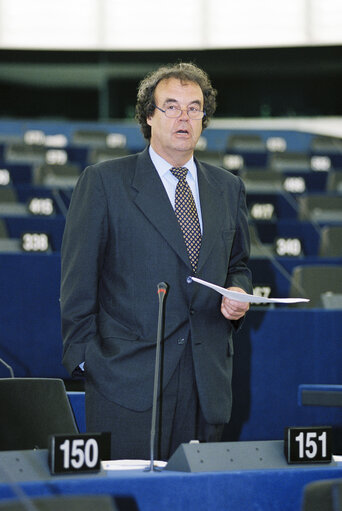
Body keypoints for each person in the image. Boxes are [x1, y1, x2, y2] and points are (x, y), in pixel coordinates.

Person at [60, 62, 253, 461]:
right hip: (127, 381)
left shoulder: (228, 188)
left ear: (204, 118)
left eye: (195, 108)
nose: (184, 117)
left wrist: (238, 291)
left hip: (206, 380)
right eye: (171, 106)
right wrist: (87, 359)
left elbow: (240, 264)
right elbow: (78, 280)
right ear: (149, 116)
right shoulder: (105, 181)